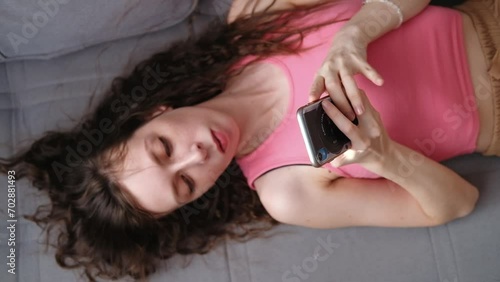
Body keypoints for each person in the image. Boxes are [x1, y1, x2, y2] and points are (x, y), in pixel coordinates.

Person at [1, 0, 499, 280]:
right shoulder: (285, 190)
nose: (197, 157)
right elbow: (458, 203)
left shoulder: (255, 18)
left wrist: (358, 31)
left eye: (163, 148)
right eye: (185, 185)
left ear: (155, 111)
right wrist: (388, 159)